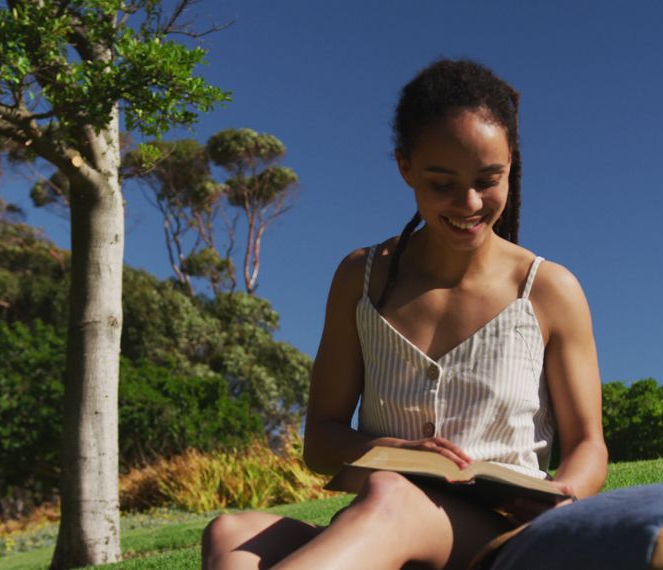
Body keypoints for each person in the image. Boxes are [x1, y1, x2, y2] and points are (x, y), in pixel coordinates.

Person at [201, 58, 609, 569]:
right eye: (442, 183)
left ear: (511, 166)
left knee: (391, 497)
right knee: (231, 533)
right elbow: (322, 440)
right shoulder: (361, 278)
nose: (469, 203)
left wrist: (565, 493)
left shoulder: (548, 289)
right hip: (382, 516)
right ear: (405, 167)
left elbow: (588, 443)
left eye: (489, 179)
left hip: (499, 538)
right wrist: (389, 448)